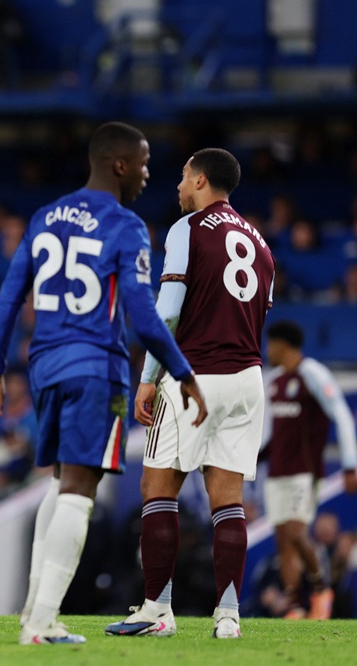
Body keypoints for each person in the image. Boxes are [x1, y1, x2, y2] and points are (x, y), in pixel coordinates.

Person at [0, 122, 207, 645]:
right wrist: (183, 371)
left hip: (45, 367)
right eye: (143, 163)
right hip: (96, 368)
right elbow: (144, 316)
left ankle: (34, 610)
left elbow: (9, 297)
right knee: (80, 491)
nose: (147, 174)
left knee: (61, 482)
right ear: (120, 164)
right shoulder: (126, 225)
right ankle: (40, 623)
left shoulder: (45, 216)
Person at [105, 148, 275, 640]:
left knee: (157, 488)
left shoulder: (189, 229)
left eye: (183, 176)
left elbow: (169, 310)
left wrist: (148, 377)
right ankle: (228, 617)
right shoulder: (260, 242)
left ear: (200, 180)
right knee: (228, 501)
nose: (179, 186)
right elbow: (257, 311)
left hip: (195, 376)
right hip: (248, 379)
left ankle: (157, 611)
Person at [261, 320, 357, 619]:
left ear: (282, 344)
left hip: (304, 471)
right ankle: (294, 605)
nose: (267, 350)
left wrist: (350, 464)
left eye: (270, 344)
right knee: (283, 542)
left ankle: (320, 588)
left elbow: (342, 415)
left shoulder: (313, 373)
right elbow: (271, 434)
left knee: (296, 532)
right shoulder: (275, 381)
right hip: (276, 472)